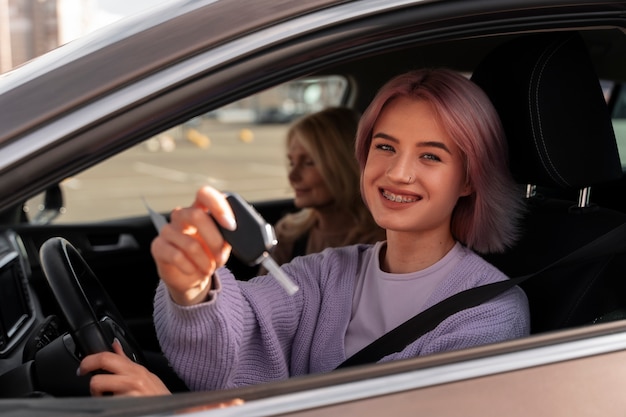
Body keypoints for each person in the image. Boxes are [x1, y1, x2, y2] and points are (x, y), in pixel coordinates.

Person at [78, 68, 530, 396]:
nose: (398, 173)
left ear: (469, 179)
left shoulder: (491, 313)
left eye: (431, 156)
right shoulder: (328, 271)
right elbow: (237, 340)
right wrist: (192, 288)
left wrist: (173, 411)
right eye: (385, 147)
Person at [260, 107, 384, 273]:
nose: (292, 176)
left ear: (346, 165)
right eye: (292, 162)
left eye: (309, 162)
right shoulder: (289, 233)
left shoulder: (379, 243)